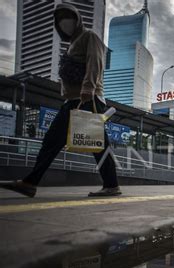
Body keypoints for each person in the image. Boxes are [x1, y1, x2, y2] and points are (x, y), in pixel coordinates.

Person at [0, 4, 120, 197]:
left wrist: (88, 87)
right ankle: (31, 182)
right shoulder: (71, 44)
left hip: (88, 98)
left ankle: (30, 182)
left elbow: (95, 61)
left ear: (78, 18)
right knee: (68, 142)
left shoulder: (89, 36)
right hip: (74, 100)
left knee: (79, 143)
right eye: (60, 19)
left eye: (68, 17)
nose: (65, 22)